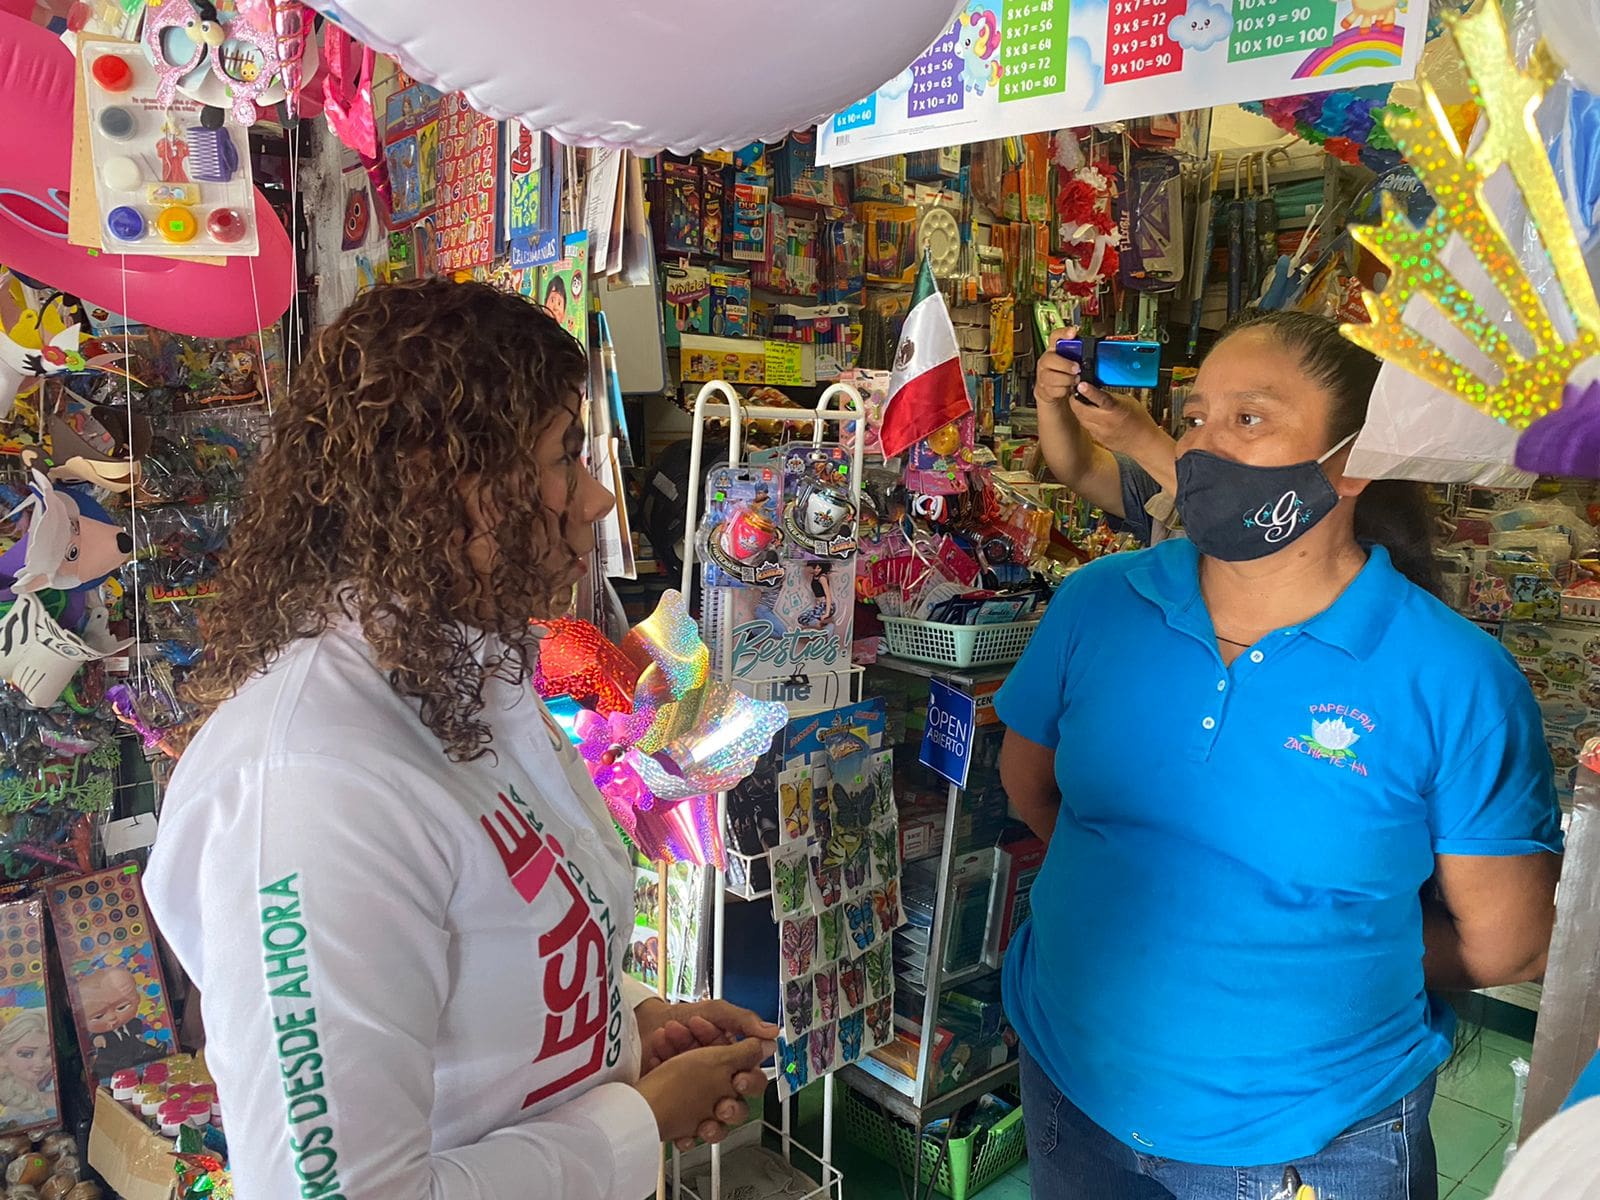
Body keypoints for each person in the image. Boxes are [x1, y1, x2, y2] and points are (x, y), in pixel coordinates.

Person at [146, 280, 778, 1200]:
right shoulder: (313, 786)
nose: (599, 498)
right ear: (448, 484)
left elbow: (494, 950)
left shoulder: (466, 674)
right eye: (567, 456)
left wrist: (628, 1027)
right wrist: (636, 1119)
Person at [996, 309, 1563, 1200]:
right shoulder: (1099, 604)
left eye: (1249, 419)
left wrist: (1317, 941)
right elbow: (1032, 789)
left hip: (1311, 1145)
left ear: (1353, 461)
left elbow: (1504, 946)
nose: (1202, 447)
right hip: (1075, 1095)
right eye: (1192, 417)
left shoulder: (1453, 678)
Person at [1033, 327, 1179, 545]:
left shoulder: (1241, 516)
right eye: (1196, 420)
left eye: (1246, 418)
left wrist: (1144, 441)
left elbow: (1231, 516)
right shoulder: (1162, 492)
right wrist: (1049, 400)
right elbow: (1082, 469)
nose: (1212, 434)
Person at [0, 1011, 57, 1128]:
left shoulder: (56, 1094)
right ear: (2, 1057)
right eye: (26, 1054)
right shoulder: (8, 1110)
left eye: (48, 1054)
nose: (40, 1063)